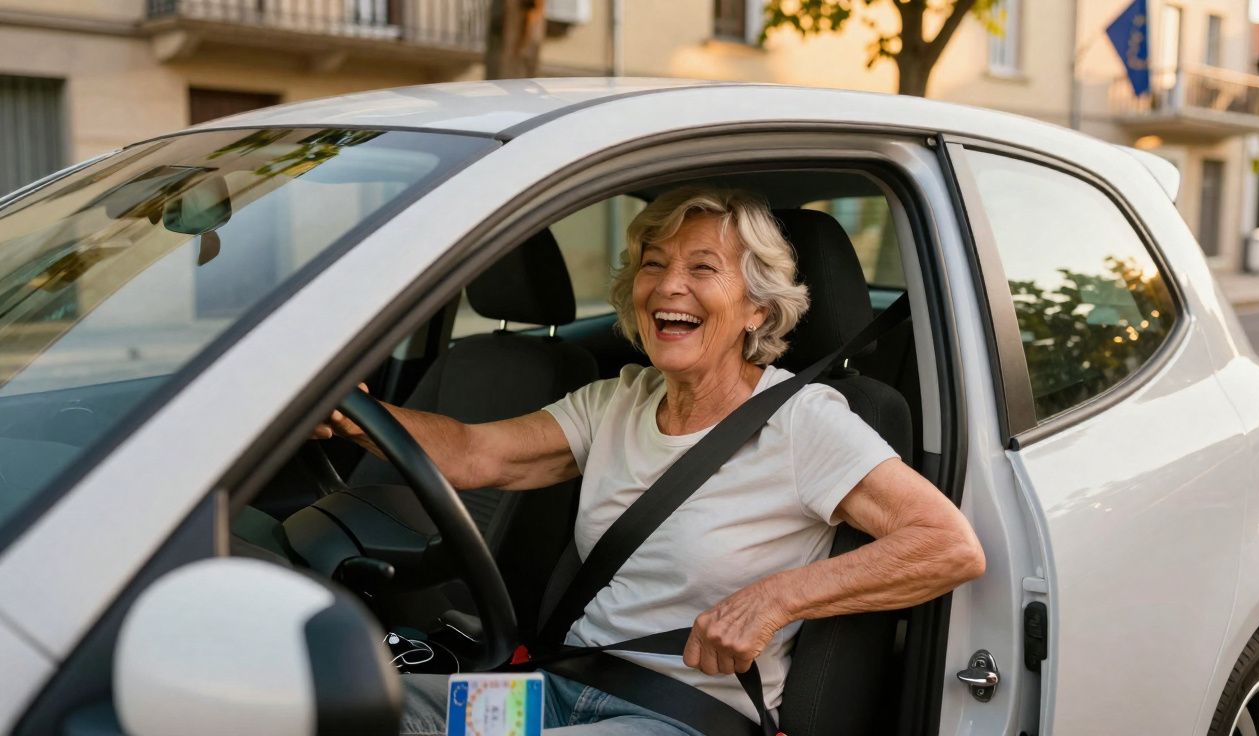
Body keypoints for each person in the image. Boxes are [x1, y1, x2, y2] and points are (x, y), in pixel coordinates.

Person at [317, 187, 986, 735]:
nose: (669, 287)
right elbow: (472, 453)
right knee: (347, 712)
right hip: (556, 690)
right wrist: (341, 410)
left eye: (702, 268)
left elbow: (947, 546)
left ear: (757, 307)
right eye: (653, 264)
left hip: (683, 719)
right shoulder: (618, 399)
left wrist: (775, 600)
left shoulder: (804, 420)